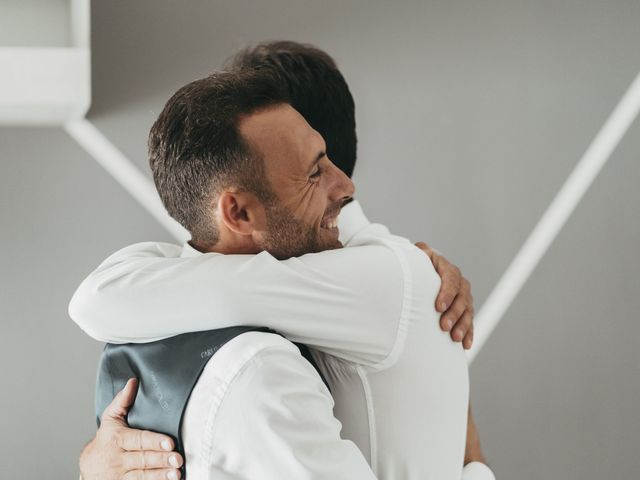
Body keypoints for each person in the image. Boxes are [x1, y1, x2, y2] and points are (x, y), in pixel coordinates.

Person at [72, 44, 494, 479]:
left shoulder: (380, 279)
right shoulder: (252, 332)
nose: (345, 186)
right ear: (238, 212)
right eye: (313, 170)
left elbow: (99, 300)